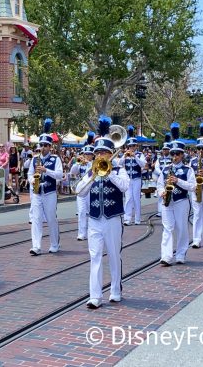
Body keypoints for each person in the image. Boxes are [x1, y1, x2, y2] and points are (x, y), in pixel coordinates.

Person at [75, 118, 129, 309]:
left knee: (114, 255)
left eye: (103, 152)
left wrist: (109, 173)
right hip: (95, 220)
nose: (99, 156)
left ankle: (115, 291)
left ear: (110, 153)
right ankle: (95, 296)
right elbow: (79, 192)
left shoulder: (119, 170)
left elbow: (124, 187)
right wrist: (92, 177)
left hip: (113, 218)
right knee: (95, 257)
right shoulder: (92, 171)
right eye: (97, 153)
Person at [157, 123, 196, 265]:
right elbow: (159, 185)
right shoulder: (165, 169)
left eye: (177, 154)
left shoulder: (188, 170)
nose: (174, 156)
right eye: (172, 154)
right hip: (167, 202)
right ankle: (166, 256)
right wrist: (162, 192)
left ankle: (180, 254)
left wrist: (178, 181)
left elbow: (192, 186)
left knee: (181, 228)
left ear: (182, 155)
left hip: (181, 201)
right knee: (167, 229)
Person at [28, 118, 63, 255]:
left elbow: (59, 175)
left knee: (51, 218)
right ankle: (36, 246)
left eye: (45, 145)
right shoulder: (34, 159)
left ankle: (55, 244)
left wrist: (46, 170)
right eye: (41, 145)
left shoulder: (55, 159)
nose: (43, 147)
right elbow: (29, 174)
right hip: (37, 192)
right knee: (36, 219)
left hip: (50, 192)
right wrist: (32, 180)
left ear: (50, 146)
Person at [69, 132, 95, 241]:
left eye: (89, 154)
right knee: (81, 212)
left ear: (93, 155)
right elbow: (72, 172)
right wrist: (77, 162)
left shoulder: (95, 164)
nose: (87, 156)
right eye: (85, 154)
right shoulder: (81, 163)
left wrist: (88, 163)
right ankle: (81, 233)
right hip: (81, 190)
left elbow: (92, 173)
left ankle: (91, 232)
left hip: (91, 190)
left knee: (91, 213)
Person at [122, 125, 146, 226]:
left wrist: (135, 156)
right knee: (128, 199)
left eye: (133, 146)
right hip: (128, 179)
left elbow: (143, 164)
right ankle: (127, 219)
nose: (131, 148)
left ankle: (137, 219)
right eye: (130, 146)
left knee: (136, 199)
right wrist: (124, 156)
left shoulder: (140, 154)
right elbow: (119, 164)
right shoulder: (125, 155)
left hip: (137, 179)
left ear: (136, 146)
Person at [153, 133, 173, 216]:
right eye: (164, 149)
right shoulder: (159, 159)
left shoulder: (172, 158)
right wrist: (162, 173)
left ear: (169, 150)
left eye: (166, 149)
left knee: (168, 194)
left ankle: (168, 208)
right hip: (162, 178)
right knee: (160, 194)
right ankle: (160, 211)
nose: (164, 151)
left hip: (170, 179)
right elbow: (156, 167)